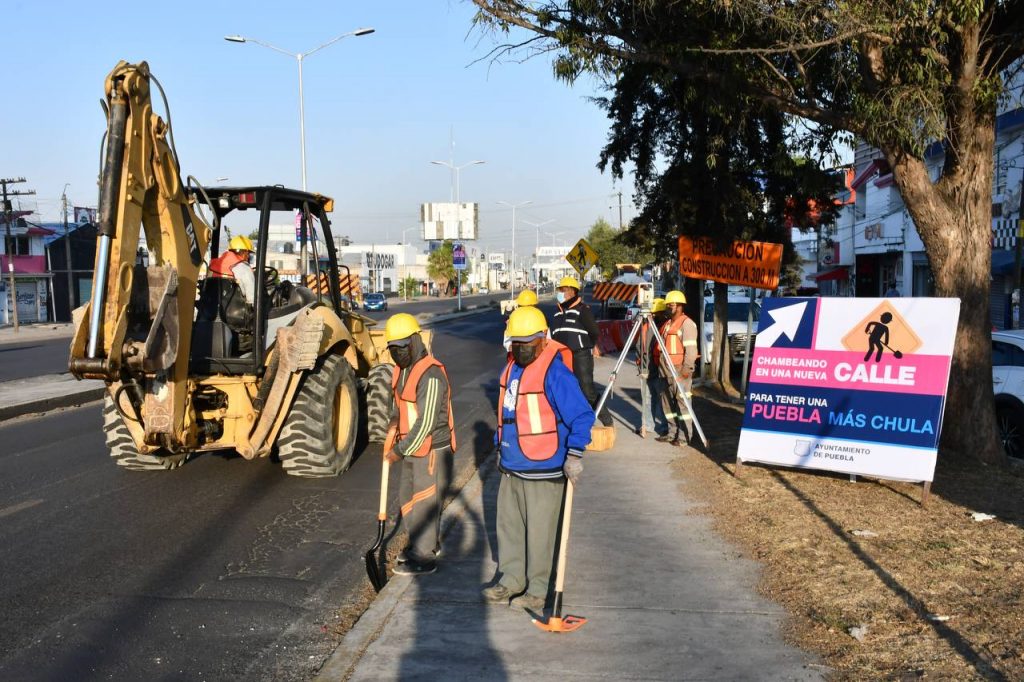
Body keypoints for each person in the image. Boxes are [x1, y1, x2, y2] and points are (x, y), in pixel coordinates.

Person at [483, 306, 594, 611]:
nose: (520, 351)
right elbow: (506, 415)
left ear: (543, 340)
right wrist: (498, 446)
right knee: (509, 528)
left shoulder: (556, 372)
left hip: (545, 469)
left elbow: (582, 415)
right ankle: (512, 579)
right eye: (515, 344)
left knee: (541, 533)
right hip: (512, 467)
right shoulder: (511, 370)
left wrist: (574, 453)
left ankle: (539, 589)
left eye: (526, 345)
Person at [383, 313, 457, 576]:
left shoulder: (431, 374)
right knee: (408, 498)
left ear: (414, 342)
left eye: (401, 347)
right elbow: (401, 405)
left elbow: (426, 424)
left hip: (432, 448)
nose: (397, 353)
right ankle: (420, 543)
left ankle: (425, 557)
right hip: (411, 446)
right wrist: (393, 423)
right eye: (392, 348)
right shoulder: (402, 371)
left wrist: (398, 452)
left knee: (425, 501)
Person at [551, 275, 612, 426]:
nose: (559, 293)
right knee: (566, 391)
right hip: (561, 357)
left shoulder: (582, 310)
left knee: (586, 390)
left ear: (571, 291)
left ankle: (606, 419)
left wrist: (583, 345)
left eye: (562, 290)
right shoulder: (558, 312)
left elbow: (594, 332)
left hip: (580, 355)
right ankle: (574, 423)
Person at [656, 290, 699, 446]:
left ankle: (684, 436)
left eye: (672, 304)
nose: (669, 307)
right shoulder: (667, 324)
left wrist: (686, 370)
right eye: (668, 304)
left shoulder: (687, 324)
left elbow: (691, 351)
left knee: (682, 405)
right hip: (665, 370)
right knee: (667, 405)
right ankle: (671, 432)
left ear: (680, 306)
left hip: (680, 369)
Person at [636, 298, 669, 439]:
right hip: (647, 368)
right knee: (648, 399)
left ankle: (664, 426)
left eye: (655, 314)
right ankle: (648, 425)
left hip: (659, 368)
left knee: (661, 400)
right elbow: (640, 345)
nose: (653, 316)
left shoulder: (665, 327)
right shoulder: (646, 325)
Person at [208, 235, 256, 305]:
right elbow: (252, 298)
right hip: (236, 311)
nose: (248, 256)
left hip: (210, 307)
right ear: (245, 252)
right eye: (248, 254)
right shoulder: (244, 268)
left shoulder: (213, 265)